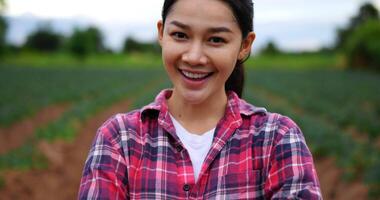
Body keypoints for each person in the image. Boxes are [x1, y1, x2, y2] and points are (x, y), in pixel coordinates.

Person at [78, 0, 322, 199]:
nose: (194, 57)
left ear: (244, 46)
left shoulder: (277, 139)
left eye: (216, 39)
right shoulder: (119, 139)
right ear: (162, 33)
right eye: (180, 35)